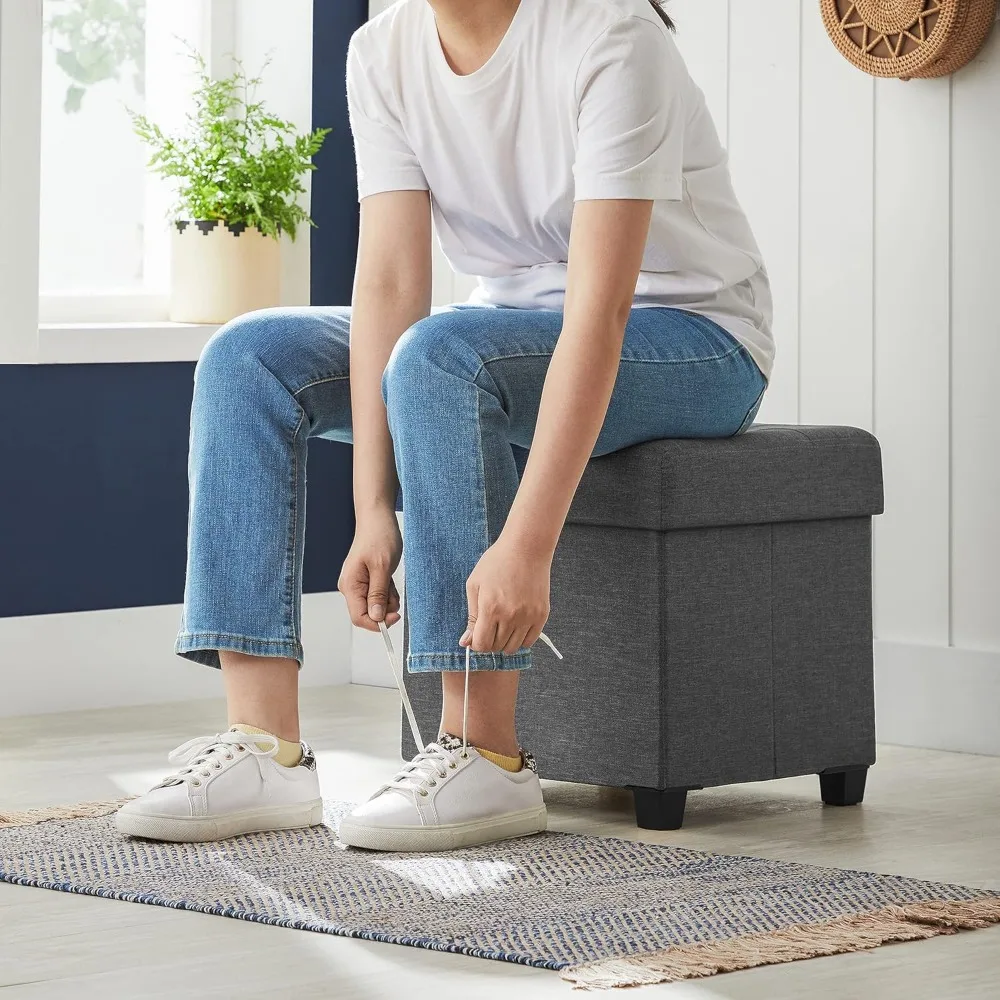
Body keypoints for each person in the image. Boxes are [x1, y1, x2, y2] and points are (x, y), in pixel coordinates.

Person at [116, 0, 773, 851]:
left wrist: (526, 549)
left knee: (444, 356)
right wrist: (373, 508)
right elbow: (391, 286)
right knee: (250, 356)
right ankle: (264, 746)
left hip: (692, 339)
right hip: (500, 334)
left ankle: (485, 758)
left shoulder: (613, 37)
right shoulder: (382, 50)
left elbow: (600, 310)